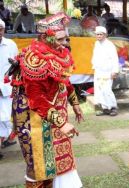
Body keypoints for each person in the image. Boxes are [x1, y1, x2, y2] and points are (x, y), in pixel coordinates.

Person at [11, 12, 83, 187]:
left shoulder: (60, 52)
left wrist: (75, 103)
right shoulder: (33, 58)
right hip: (31, 117)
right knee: (38, 166)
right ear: (45, 37)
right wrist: (61, 122)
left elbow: (64, 81)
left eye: (66, 38)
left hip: (52, 113)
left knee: (56, 160)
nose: (64, 43)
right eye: (59, 39)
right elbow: (36, 98)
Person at [0, 19, 18, 160]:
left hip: (6, 88)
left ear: (3, 30)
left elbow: (16, 67)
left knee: (6, 118)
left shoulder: (11, 45)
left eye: (0, 29)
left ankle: (8, 139)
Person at [92, 26, 119, 116]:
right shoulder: (96, 44)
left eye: (101, 34)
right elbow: (95, 56)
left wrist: (115, 71)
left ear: (105, 35)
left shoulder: (110, 45)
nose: (99, 36)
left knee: (106, 90)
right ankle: (104, 108)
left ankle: (113, 107)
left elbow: (115, 58)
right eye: (97, 34)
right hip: (98, 71)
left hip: (108, 71)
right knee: (99, 90)